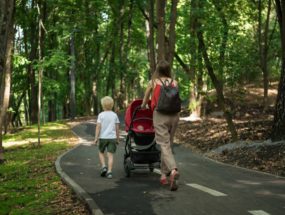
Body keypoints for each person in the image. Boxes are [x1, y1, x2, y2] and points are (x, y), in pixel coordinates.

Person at [141, 59, 180, 191]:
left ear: (157, 70)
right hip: (174, 115)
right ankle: (163, 175)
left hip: (160, 115)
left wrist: (143, 106)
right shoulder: (175, 82)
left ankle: (173, 170)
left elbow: (146, 98)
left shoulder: (153, 82)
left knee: (163, 144)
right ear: (168, 70)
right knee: (168, 144)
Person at [94, 96, 120, 179]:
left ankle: (104, 166)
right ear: (112, 105)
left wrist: (96, 138)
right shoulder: (114, 115)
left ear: (103, 105)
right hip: (112, 138)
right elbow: (117, 128)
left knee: (101, 152)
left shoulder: (101, 115)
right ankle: (109, 172)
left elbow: (98, 127)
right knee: (110, 155)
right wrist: (118, 138)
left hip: (103, 138)